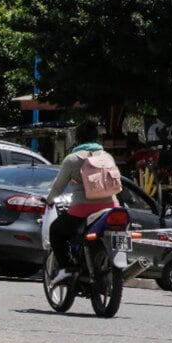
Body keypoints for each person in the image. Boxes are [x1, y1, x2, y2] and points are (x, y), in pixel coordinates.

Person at [45, 118, 120, 286]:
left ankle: (67, 269)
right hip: (111, 207)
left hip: (82, 210)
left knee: (56, 231)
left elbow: (58, 186)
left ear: (77, 139)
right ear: (96, 138)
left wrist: (49, 200)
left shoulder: (72, 159)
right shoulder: (108, 157)